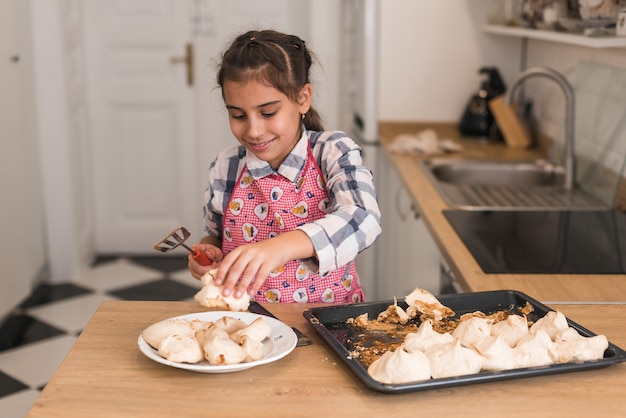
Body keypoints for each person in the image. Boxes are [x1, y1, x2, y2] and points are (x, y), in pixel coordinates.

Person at [188, 29, 381, 304]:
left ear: (303, 98)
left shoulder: (331, 151)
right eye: (238, 115)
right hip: (248, 325)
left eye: (268, 113)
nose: (254, 131)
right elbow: (215, 236)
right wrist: (209, 253)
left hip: (327, 323)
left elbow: (364, 218)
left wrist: (280, 247)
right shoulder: (226, 167)